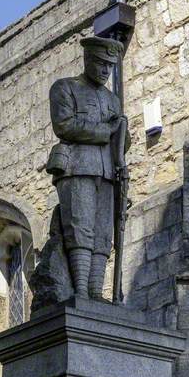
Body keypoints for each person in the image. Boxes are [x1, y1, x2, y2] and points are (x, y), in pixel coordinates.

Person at [47, 35, 128, 298]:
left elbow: (121, 141)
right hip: (77, 166)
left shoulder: (113, 100)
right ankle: (80, 290)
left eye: (110, 66)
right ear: (88, 59)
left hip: (107, 173)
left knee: (103, 232)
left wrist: (122, 136)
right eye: (101, 63)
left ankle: (95, 292)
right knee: (80, 227)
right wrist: (107, 130)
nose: (106, 70)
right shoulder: (65, 88)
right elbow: (65, 125)